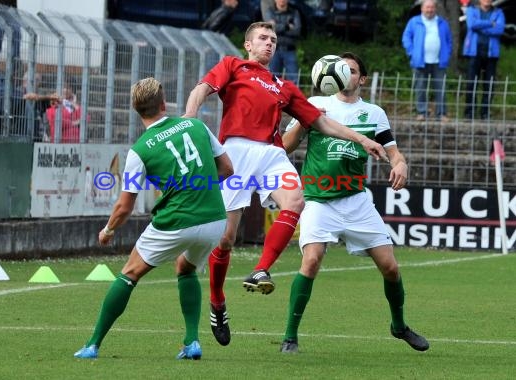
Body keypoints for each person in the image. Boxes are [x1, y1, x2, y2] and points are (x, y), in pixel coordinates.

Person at [184, 22, 387, 347]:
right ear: (248, 44)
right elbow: (201, 89)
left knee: (296, 201)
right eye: (263, 38)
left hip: (270, 152)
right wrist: (190, 118)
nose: (269, 43)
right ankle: (218, 301)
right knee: (225, 240)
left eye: (273, 40)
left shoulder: (283, 85)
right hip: (234, 150)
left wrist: (363, 139)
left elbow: (320, 121)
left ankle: (261, 269)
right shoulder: (232, 65)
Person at [279, 52, 429, 354]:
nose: (345, 74)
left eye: (352, 70)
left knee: (390, 267)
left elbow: (393, 153)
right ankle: (290, 337)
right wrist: (306, 119)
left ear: (362, 79)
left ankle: (398, 326)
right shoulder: (315, 105)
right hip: (319, 200)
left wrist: (400, 164)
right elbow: (285, 146)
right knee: (311, 260)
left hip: (356, 200)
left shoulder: (373, 113)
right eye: (340, 69)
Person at [74, 77, 234, 360]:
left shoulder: (140, 150)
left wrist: (108, 230)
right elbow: (227, 168)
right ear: (163, 104)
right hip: (214, 220)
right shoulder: (197, 126)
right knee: (185, 267)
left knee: (129, 273)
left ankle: (92, 344)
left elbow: (125, 206)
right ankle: (191, 342)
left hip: (176, 221)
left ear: (137, 111)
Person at [402, 0, 452, 122]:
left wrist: (447, 53)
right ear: (422, 9)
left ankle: (441, 114)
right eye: (427, 7)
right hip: (420, 61)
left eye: (432, 7)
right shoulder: (414, 22)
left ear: (435, 8)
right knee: (420, 88)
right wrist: (412, 53)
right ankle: (421, 113)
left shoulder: (442, 23)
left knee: (441, 88)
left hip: (439, 61)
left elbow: (449, 40)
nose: (429, 10)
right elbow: (406, 38)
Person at [463, 0, 505, 120]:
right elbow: (471, 24)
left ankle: (485, 113)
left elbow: (500, 29)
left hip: (491, 54)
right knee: (471, 83)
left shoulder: (499, 12)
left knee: (489, 85)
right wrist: (490, 23)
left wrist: (480, 27)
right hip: (474, 52)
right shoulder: (471, 10)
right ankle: (469, 113)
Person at [263, 0, 301, 83]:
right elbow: (270, 29)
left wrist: (277, 26)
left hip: (290, 50)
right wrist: (287, 26)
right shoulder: (270, 12)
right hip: (274, 50)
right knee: (272, 80)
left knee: (294, 80)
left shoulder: (294, 12)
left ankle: (293, 96)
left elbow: (297, 31)